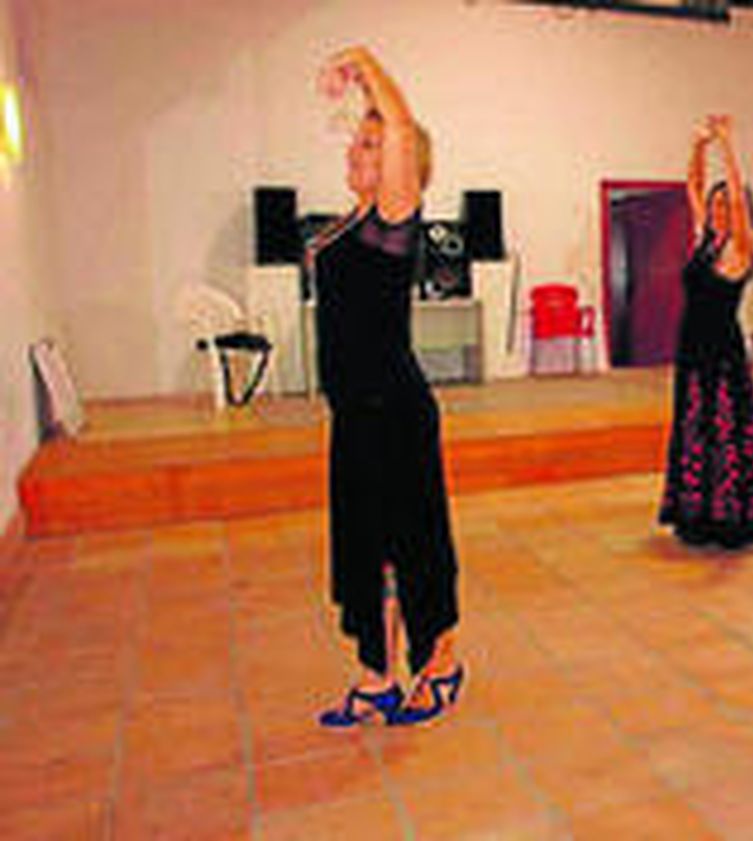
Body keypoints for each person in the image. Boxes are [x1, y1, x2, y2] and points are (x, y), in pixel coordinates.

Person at [308, 46, 462, 728]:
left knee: (413, 542)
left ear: (402, 166)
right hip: (357, 414)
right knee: (370, 550)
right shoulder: (356, 219)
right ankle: (377, 677)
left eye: (371, 145)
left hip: (393, 410)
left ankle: (444, 663)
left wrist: (363, 63)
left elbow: (401, 128)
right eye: (359, 140)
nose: (358, 149)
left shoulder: (394, 219)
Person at [657, 114, 753, 548]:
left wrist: (727, 146)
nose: (717, 211)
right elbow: (691, 185)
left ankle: (731, 518)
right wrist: (699, 145)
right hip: (691, 349)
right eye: (714, 207)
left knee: (725, 433)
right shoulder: (706, 241)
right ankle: (697, 514)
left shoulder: (740, 248)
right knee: (695, 430)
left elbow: (733, 194)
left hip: (723, 354)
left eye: (725, 206)